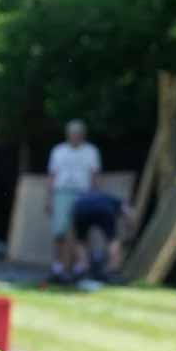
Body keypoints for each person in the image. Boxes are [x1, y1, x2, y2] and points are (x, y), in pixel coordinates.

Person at [45, 119, 100, 282]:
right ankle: (58, 266)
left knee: (81, 230)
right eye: (72, 134)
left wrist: (94, 197)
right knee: (59, 230)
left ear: (83, 135)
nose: (75, 137)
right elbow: (52, 175)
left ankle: (81, 267)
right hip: (62, 192)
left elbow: (94, 175)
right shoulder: (58, 151)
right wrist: (49, 198)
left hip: (83, 193)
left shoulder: (91, 151)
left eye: (78, 134)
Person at [69, 188, 131, 282]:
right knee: (112, 239)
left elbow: (73, 214)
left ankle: (83, 267)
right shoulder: (113, 199)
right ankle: (113, 270)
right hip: (104, 209)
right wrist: (131, 229)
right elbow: (128, 212)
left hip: (80, 209)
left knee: (80, 241)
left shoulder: (82, 198)